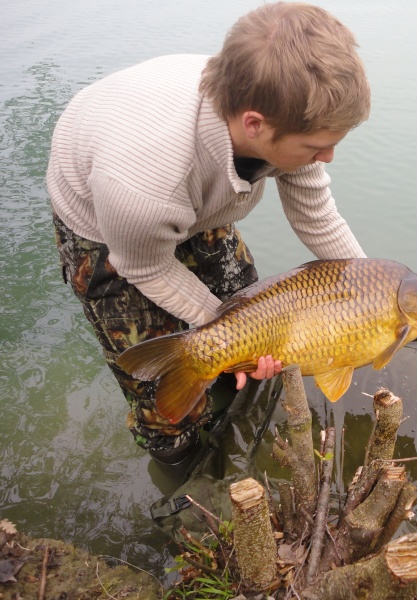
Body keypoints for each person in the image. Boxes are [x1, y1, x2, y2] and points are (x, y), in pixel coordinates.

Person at [46, 2, 370, 465]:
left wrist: (376, 289)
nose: (329, 158)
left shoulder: (280, 102)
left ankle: (225, 383)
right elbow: (144, 265)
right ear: (254, 124)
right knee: (169, 397)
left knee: (250, 318)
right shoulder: (145, 180)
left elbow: (317, 216)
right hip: (113, 233)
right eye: (318, 148)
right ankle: (180, 464)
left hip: (194, 203)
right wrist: (229, 335)